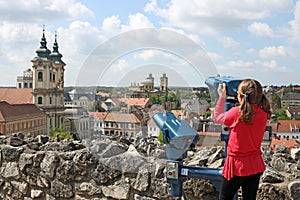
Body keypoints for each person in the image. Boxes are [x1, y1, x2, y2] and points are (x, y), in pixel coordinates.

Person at [213, 79, 271, 200]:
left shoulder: (236, 113)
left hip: (236, 166)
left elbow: (217, 118)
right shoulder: (264, 114)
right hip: (255, 164)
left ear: (240, 96)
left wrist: (222, 97)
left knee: (225, 197)